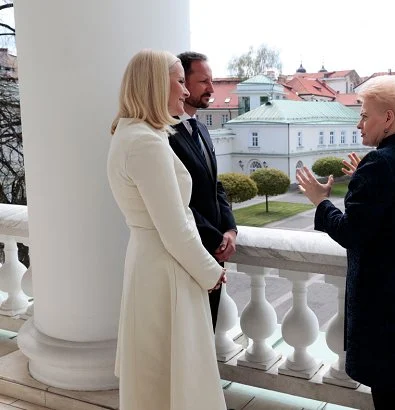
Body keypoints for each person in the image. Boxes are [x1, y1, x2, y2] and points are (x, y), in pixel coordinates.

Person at [296, 75, 395, 409]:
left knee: (391, 396)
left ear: (388, 118)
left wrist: (321, 202)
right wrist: (369, 173)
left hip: (388, 306)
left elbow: (352, 233)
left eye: (364, 115)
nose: (359, 124)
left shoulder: (380, 165)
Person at [107, 49, 227, 410]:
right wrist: (211, 272)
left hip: (155, 264)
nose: (182, 90)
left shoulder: (135, 134)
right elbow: (174, 226)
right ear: (156, 85)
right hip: (167, 269)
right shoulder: (145, 142)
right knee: (174, 376)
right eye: (178, 80)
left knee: (158, 372)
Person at [169, 51, 237, 331]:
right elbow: (175, 199)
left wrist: (230, 230)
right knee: (188, 335)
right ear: (182, 83)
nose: (212, 88)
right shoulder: (164, 133)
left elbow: (214, 185)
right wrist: (215, 239)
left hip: (214, 251)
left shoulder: (203, 130)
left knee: (206, 330)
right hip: (189, 253)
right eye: (203, 81)